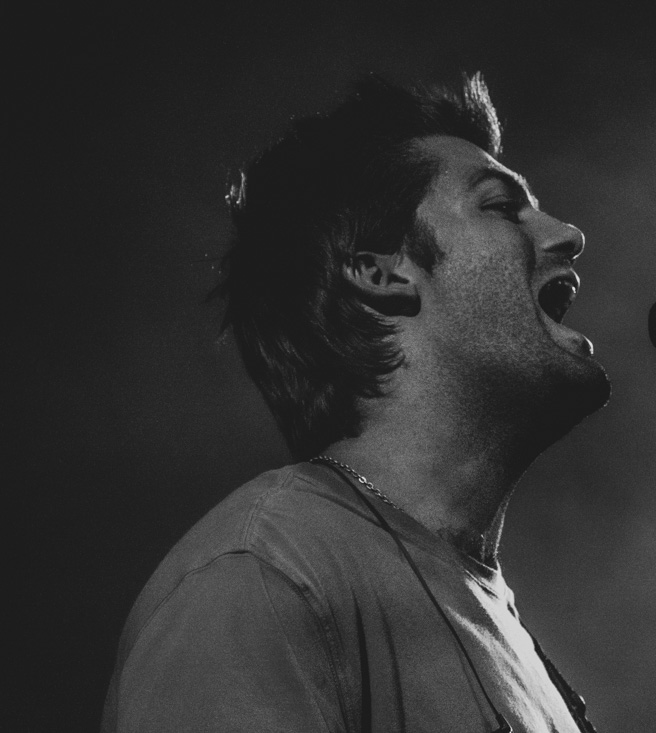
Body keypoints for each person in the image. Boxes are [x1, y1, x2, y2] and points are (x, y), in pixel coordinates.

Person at [101, 72, 610, 732]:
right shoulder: (265, 575)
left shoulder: (510, 636)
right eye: (500, 207)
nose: (568, 233)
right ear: (379, 272)